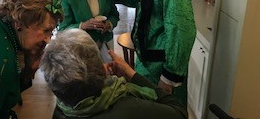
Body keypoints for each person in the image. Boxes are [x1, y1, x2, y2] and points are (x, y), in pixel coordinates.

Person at [40, 28, 188, 119]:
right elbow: (179, 113)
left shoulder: (61, 109)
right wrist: (132, 74)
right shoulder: (132, 108)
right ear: (100, 68)